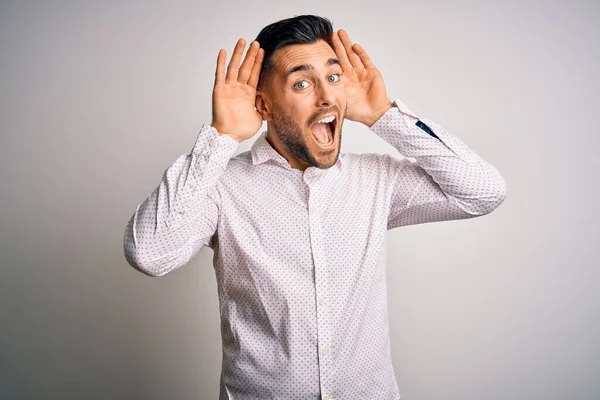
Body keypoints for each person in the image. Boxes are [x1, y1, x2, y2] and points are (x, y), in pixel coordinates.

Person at [123, 14, 507, 400]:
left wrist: (383, 115)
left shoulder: (376, 180)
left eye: (334, 78)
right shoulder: (222, 187)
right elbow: (151, 255)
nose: (326, 97)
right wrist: (220, 137)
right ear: (264, 106)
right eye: (302, 83)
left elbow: (484, 191)